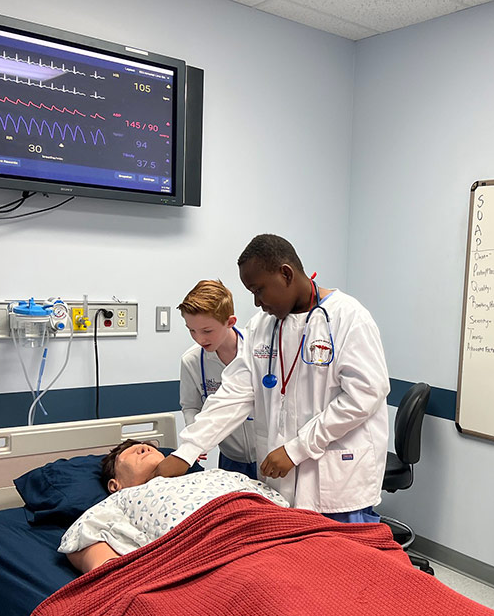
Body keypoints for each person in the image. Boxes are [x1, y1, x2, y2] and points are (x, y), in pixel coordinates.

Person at [154, 234, 391, 524]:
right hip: (280, 485)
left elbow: (364, 396)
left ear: (286, 274)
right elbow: (234, 393)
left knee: (349, 565)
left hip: (337, 484)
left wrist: (296, 449)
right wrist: (188, 450)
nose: (256, 302)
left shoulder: (348, 318)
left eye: (259, 289)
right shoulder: (262, 327)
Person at [60, 440, 288, 573]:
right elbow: (84, 536)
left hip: (275, 534)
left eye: (149, 447)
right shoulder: (120, 500)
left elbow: (280, 507)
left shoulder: (217, 475)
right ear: (114, 484)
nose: (143, 448)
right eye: (132, 452)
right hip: (217, 554)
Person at [178, 279, 257, 479]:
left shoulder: (258, 353)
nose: (199, 339)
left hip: (267, 455)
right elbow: (190, 406)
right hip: (230, 457)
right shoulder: (192, 361)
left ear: (230, 322)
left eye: (207, 331)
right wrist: (194, 434)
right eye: (191, 330)